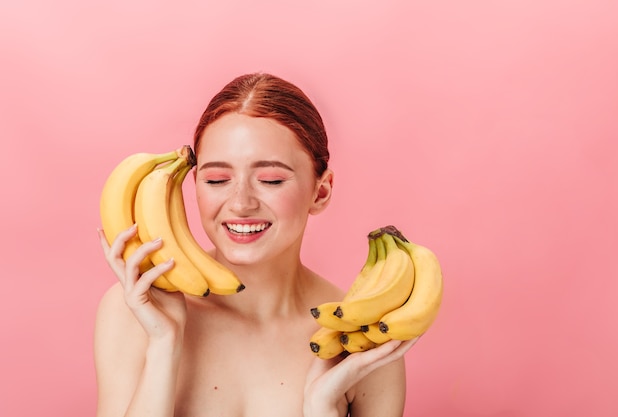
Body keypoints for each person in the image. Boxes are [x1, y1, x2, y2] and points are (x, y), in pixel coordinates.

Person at [95, 72, 419, 417]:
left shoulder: (362, 336)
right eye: (217, 180)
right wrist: (164, 346)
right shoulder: (135, 311)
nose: (241, 203)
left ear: (320, 192)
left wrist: (321, 408)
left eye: (271, 180)